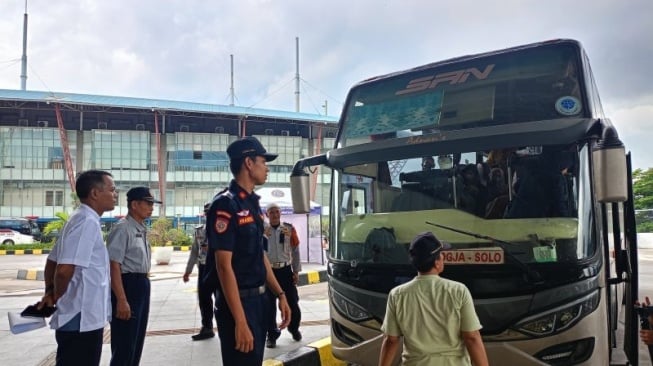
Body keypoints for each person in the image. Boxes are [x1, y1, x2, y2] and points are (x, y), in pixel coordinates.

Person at [206, 136, 291, 365]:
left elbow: (259, 255)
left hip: (260, 302)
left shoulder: (252, 204)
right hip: (238, 306)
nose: (267, 168)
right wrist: (240, 322)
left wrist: (280, 294)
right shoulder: (225, 204)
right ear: (248, 163)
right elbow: (224, 267)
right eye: (263, 161)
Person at [37, 170, 118, 366]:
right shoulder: (86, 222)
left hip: (78, 315)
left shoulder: (78, 218)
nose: (115, 194)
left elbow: (52, 262)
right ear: (95, 193)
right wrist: (55, 295)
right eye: (112, 190)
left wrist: (50, 291)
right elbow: (64, 270)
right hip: (81, 317)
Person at [378, 231, 488, 366]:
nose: (443, 258)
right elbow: (471, 338)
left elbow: (391, 340)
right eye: (441, 255)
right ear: (436, 263)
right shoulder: (458, 291)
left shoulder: (397, 295)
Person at [106, 186, 161, 366]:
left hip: (141, 284)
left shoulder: (139, 228)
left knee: (136, 341)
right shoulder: (123, 228)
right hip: (128, 285)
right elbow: (114, 265)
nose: (151, 207)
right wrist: (121, 300)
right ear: (134, 205)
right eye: (148, 203)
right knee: (125, 343)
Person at [264, 202, 302, 348]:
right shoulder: (261, 230)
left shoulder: (289, 229)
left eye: (276, 212)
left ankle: (294, 328)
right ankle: (271, 336)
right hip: (269, 272)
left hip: (285, 271)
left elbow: (296, 249)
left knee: (292, 302)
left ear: (280, 213)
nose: (274, 214)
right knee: (268, 305)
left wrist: (296, 271)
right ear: (267, 215)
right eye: (271, 212)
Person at [183, 202, 216, 341]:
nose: (210, 215)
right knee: (204, 298)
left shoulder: (223, 229)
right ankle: (207, 327)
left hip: (219, 267)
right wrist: (188, 271)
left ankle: (229, 326)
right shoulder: (199, 231)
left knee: (223, 299)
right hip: (203, 267)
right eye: (207, 213)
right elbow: (194, 252)